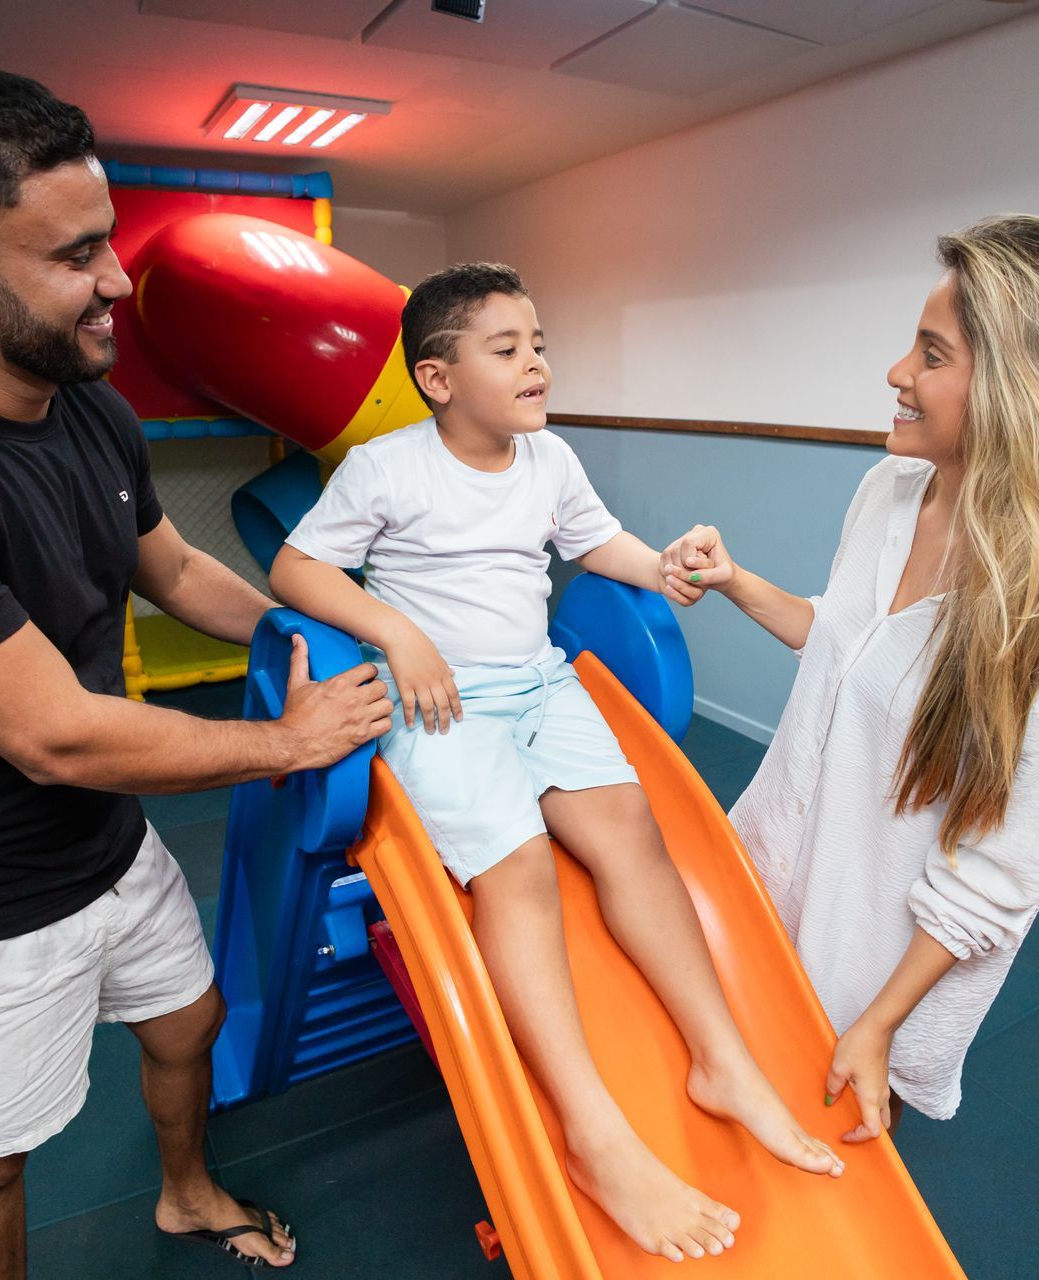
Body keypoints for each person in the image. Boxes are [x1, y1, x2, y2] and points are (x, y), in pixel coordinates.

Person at [0, 65, 390, 1277]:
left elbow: (174, 568)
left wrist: (324, 635)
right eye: (77, 254)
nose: (118, 281)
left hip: (105, 845)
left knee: (190, 1026)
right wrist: (287, 740)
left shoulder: (85, 402)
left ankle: (188, 1193)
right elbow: (56, 733)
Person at [269, 262, 842, 1266]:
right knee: (520, 868)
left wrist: (660, 564)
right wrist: (395, 631)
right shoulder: (387, 467)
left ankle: (724, 1059)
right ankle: (593, 1129)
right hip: (440, 701)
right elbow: (297, 566)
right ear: (439, 378)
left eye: (538, 343)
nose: (535, 361)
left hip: (538, 683)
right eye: (507, 347)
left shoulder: (548, 458)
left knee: (634, 833)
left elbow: (593, 542)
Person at [660, 214, 1039, 1144]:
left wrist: (880, 1022)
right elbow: (850, 651)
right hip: (772, 859)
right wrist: (736, 584)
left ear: (1026, 393)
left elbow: (1000, 874)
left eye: (932, 354)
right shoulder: (892, 488)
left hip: (870, 963)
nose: (898, 373)